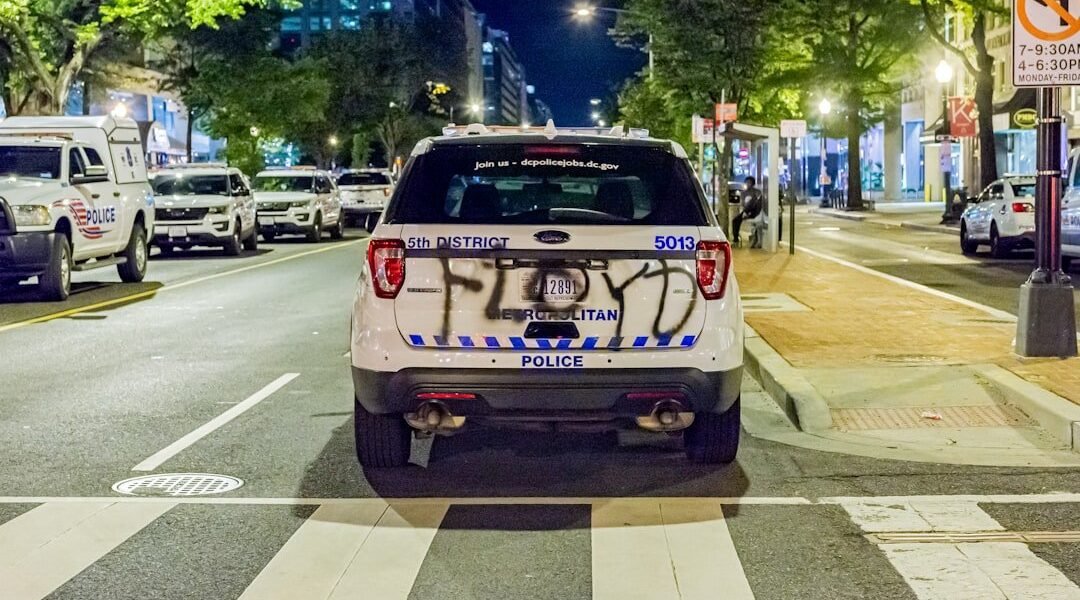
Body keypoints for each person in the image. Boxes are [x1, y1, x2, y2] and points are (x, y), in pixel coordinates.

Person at [732, 176, 763, 246]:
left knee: (753, 200)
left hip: (754, 212)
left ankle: (746, 212)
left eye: (749, 183)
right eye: (747, 183)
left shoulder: (757, 192)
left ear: (752, 184)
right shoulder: (743, 193)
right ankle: (735, 239)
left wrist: (747, 210)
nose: (748, 184)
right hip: (746, 212)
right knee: (735, 220)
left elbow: (757, 202)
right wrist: (745, 211)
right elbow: (743, 204)